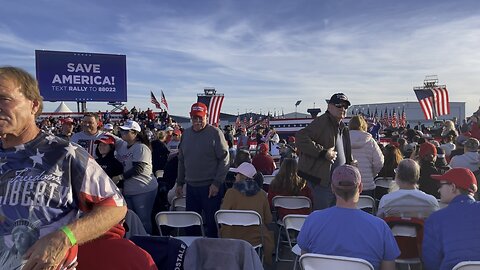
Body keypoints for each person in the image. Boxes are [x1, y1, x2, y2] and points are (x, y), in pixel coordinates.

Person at [0, 66, 126, 269]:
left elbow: (115, 207)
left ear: (33, 105)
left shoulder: (65, 153)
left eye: (4, 99)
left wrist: (64, 237)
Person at [297, 165, 400, 270]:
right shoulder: (380, 227)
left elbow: (305, 261)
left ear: (332, 188)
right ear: (360, 188)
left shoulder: (313, 219)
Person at [176, 102, 229, 238]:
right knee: (191, 225)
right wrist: (180, 182)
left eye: (201, 118)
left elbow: (225, 159)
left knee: (212, 226)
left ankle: (213, 254)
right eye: (195, 118)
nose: (198, 121)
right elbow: (182, 160)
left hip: (210, 188)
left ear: (207, 116)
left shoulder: (215, 133)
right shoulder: (186, 134)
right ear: (190, 117)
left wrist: (217, 183)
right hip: (192, 187)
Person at [296, 93, 354, 210]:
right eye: (339, 105)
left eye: (345, 106)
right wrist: (323, 153)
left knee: (334, 217)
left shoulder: (342, 127)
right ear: (329, 107)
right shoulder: (323, 122)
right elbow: (300, 137)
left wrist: (350, 163)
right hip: (323, 183)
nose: (342, 108)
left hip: (337, 183)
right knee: (324, 217)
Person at [423, 168, 480, 270]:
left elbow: (431, 263)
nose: (438, 190)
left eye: (440, 185)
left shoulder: (435, 219)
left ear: (453, 187)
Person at [220, 162, 275, 265]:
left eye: (237, 174)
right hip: (255, 239)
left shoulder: (230, 193)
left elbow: (222, 218)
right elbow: (268, 219)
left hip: (230, 236)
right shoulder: (262, 194)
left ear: (242, 176)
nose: (235, 176)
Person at [114, 120, 158, 234]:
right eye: (122, 130)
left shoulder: (141, 147)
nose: (122, 132)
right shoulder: (123, 145)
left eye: (126, 131)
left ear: (135, 133)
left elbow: (138, 169)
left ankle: (147, 243)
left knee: (143, 220)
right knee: (131, 221)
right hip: (129, 190)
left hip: (143, 189)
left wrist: (119, 177)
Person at [348, 115, 384, 197]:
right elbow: (379, 162)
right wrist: (372, 174)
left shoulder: (343, 139)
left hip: (347, 185)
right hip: (367, 185)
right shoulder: (370, 141)